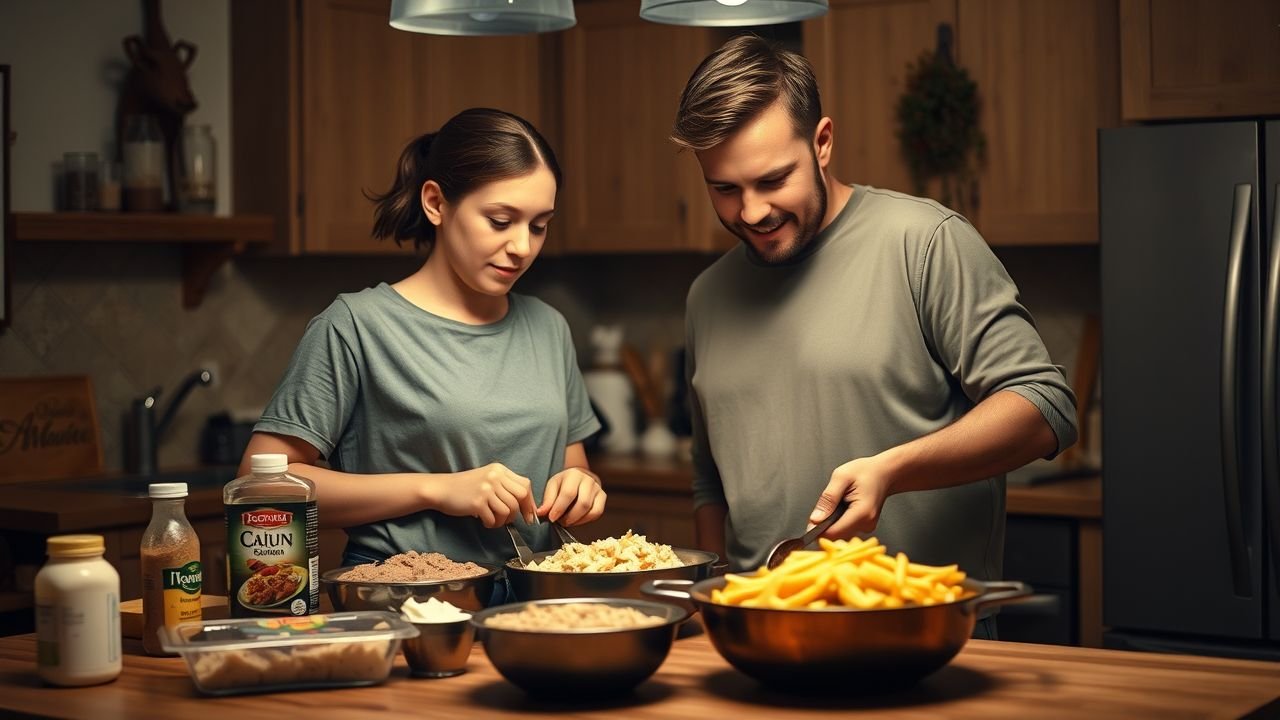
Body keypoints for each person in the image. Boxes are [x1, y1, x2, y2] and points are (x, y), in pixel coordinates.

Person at [673, 36, 1077, 638]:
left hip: (926, 635)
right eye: (724, 189)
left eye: (773, 179)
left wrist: (894, 470)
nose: (751, 212)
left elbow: (1046, 407)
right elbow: (712, 478)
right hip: (766, 640)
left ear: (823, 143)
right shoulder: (707, 295)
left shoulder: (926, 242)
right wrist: (714, 604)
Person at [239, 108, 604, 583]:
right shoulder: (356, 326)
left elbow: (573, 464)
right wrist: (436, 490)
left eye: (538, 226)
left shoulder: (548, 327)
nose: (522, 247)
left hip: (533, 600)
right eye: (500, 220)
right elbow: (262, 488)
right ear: (435, 203)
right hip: (406, 597)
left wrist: (583, 487)